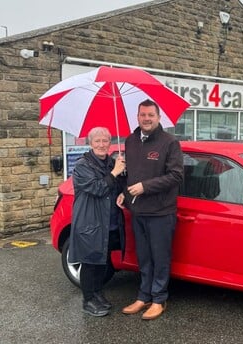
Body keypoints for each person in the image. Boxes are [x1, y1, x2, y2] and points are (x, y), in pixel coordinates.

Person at [117, 99, 183, 320]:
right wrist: (123, 193)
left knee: (160, 258)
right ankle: (143, 296)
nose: (146, 119)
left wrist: (145, 187)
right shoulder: (130, 141)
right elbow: (130, 177)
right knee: (143, 258)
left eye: (150, 115)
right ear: (137, 117)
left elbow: (176, 176)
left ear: (158, 117)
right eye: (142, 115)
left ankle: (158, 299)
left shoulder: (170, 143)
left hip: (161, 213)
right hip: (139, 213)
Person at [68, 127, 126, 317]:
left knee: (103, 261)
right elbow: (97, 188)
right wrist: (115, 173)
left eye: (105, 141)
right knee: (90, 262)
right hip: (90, 222)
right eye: (97, 141)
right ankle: (88, 300)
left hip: (108, 221)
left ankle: (98, 293)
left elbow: (116, 188)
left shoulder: (111, 162)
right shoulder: (83, 165)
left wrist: (122, 175)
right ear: (90, 143)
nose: (102, 145)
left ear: (110, 143)